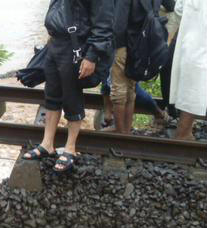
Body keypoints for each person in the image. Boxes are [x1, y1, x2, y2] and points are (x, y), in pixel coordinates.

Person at [23, 0, 115, 172]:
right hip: (55, 43)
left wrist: (91, 56)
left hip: (75, 46)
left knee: (71, 96)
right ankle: (47, 143)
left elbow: (103, 24)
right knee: (51, 94)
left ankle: (70, 148)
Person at [111, 0, 161, 134]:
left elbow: (119, 24)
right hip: (142, 45)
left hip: (123, 43)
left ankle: (120, 135)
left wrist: (114, 45)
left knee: (119, 90)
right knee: (130, 88)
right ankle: (126, 132)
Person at [170, 0, 207, 140]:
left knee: (190, 92)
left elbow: (178, 9)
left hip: (190, 43)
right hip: (200, 47)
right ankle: (183, 134)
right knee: (193, 94)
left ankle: (184, 132)